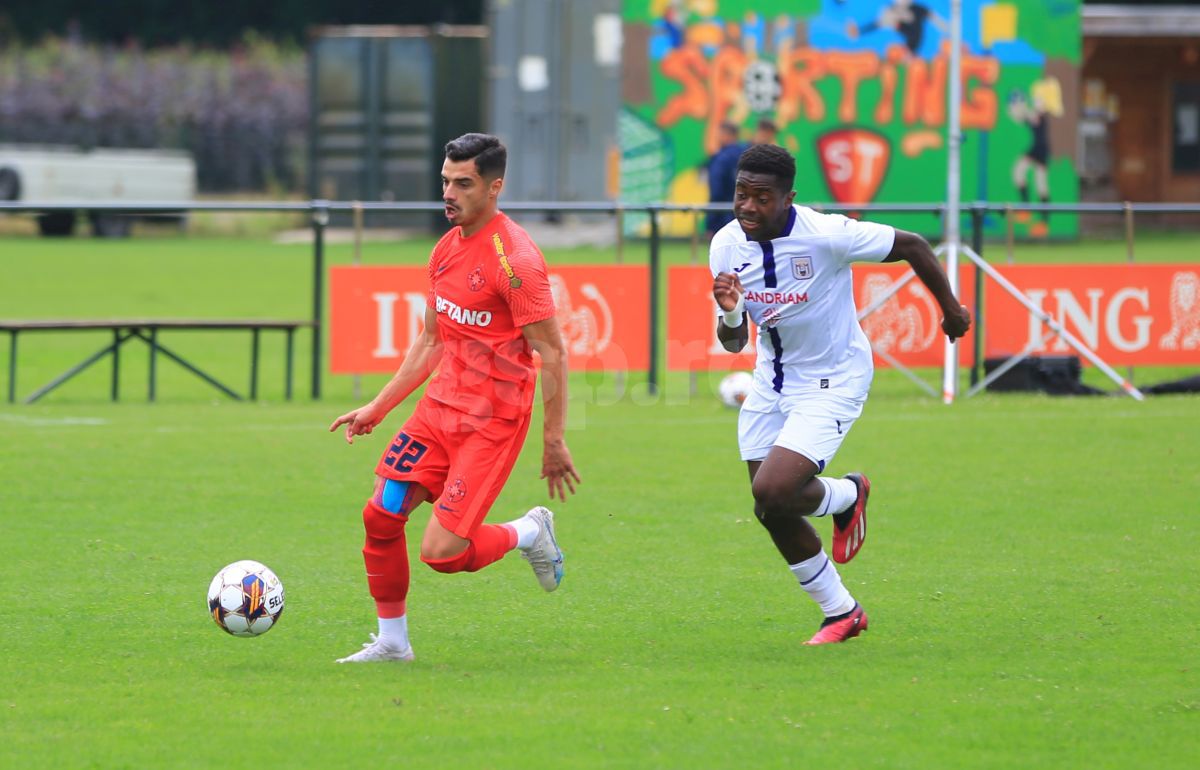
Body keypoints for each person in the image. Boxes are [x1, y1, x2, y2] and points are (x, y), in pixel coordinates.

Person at [329, 133, 581, 663]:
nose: (449, 192)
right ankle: (393, 643)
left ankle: (529, 531)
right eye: (445, 180)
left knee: (441, 554)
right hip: (438, 412)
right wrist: (378, 406)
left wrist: (553, 439)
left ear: (494, 187)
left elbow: (552, 355)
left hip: (491, 423)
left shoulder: (516, 262)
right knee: (380, 515)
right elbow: (431, 340)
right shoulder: (445, 248)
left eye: (462, 183)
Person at [709, 144, 970, 645]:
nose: (747, 207)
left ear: (789, 198)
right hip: (771, 381)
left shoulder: (828, 234)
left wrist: (951, 309)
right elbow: (735, 340)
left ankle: (848, 493)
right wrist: (728, 310)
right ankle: (842, 611)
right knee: (770, 508)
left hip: (834, 378)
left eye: (762, 198)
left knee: (772, 491)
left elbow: (914, 244)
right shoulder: (726, 245)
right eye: (741, 194)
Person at [704, 121, 749, 239]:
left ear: (727, 135)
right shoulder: (747, 155)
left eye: (719, 134)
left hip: (723, 216)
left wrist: (711, 224)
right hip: (745, 214)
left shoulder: (721, 158)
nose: (718, 137)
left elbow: (716, 191)